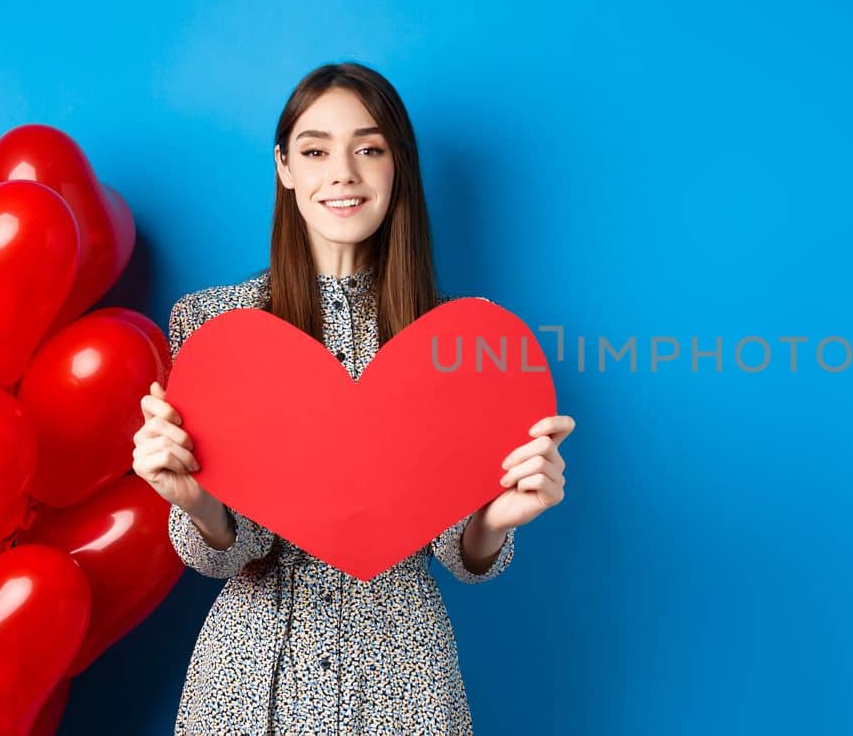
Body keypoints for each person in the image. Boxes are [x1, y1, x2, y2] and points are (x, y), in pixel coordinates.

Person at [130, 61, 574, 734]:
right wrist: (193, 500)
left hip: (405, 684)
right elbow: (229, 549)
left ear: (398, 167)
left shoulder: (462, 339)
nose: (342, 172)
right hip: (252, 684)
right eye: (315, 150)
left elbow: (462, 550)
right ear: (285, 167)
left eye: (368, 148)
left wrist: (498, 518)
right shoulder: (214, 326)